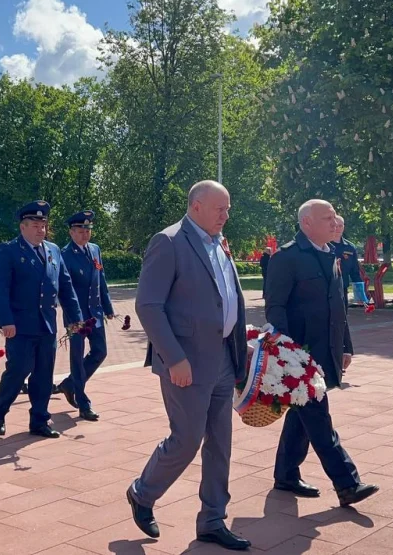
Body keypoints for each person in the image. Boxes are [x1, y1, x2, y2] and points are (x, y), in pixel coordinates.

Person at [126, 181, 250, 551]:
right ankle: (142, 493)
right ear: (196, 206)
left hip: (223, 360)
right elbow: (148, 305)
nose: (226, 216)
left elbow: (224, 297)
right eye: (219, 209)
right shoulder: (169, 242)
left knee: (220, 445)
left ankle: (213, 520)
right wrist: (173, 357)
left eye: (228, 209)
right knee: (187, 439)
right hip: (187, 363)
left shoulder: (218, 242)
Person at [264, 199, 378, 507]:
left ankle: (286, 474)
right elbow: (275, 308)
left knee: (302, 416)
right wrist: (287, 354)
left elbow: (337, 307)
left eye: (333, 217)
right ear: (306, 223)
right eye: (326, 218)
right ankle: (347, 483)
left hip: (326, 351)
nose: (334, 222)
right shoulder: (286, 258)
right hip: (300, 356)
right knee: (318, 418)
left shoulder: (332, 255)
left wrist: (346, 346)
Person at [0, 201, 83, 440]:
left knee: (43, 373)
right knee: (19, 369)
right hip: (19, 325)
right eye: (35, 225)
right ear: (23, 227)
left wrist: (76, 318)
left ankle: (39, 419)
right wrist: (5, 320)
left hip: (47, 324)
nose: (41, 229)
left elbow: (65, 286)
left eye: (43, 225)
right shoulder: (8, 251)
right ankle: (0, 408)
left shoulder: (53, 250)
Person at [57, 211, 114, 422]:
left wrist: (107, 308)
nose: (85, 235)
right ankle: (83, 403)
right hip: (77, 317)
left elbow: (101, 281)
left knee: (100, 352)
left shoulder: (95, 250)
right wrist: (74, 316)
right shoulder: (65, 255)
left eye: (88, 230)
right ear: (71, 232)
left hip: (95, 313)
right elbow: (63, 289)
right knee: (77, 359)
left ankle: (70, 384)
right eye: (81, 231)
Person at [332, 216, 362, 307]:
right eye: (335, 226)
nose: (338, 229)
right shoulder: (323, 245)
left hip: (343, 288)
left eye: (340, 226)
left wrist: (360, 294)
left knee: (343, 318)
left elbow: (355, 271)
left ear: (344, 227)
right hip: (326, 290)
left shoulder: (350, 247)